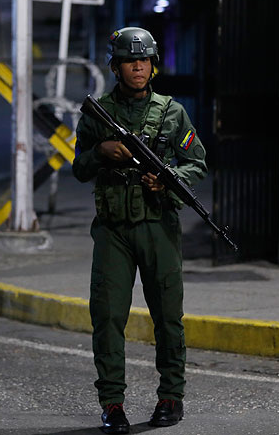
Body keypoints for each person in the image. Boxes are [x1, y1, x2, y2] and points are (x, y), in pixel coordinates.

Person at [72, 27, 208, 432]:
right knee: (108, 316)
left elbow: (196, 163)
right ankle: (112, 404)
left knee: (167, 317)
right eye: (130, 61)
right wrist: (101, 151)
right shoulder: (98, 113)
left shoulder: (172, 112)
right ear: (116, 67)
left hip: (158, 226)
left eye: (144, 60)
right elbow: (79, 168)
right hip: (112, 229)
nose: (138, 67)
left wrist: (168, 180)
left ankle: (171, 397)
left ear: (153, 66)